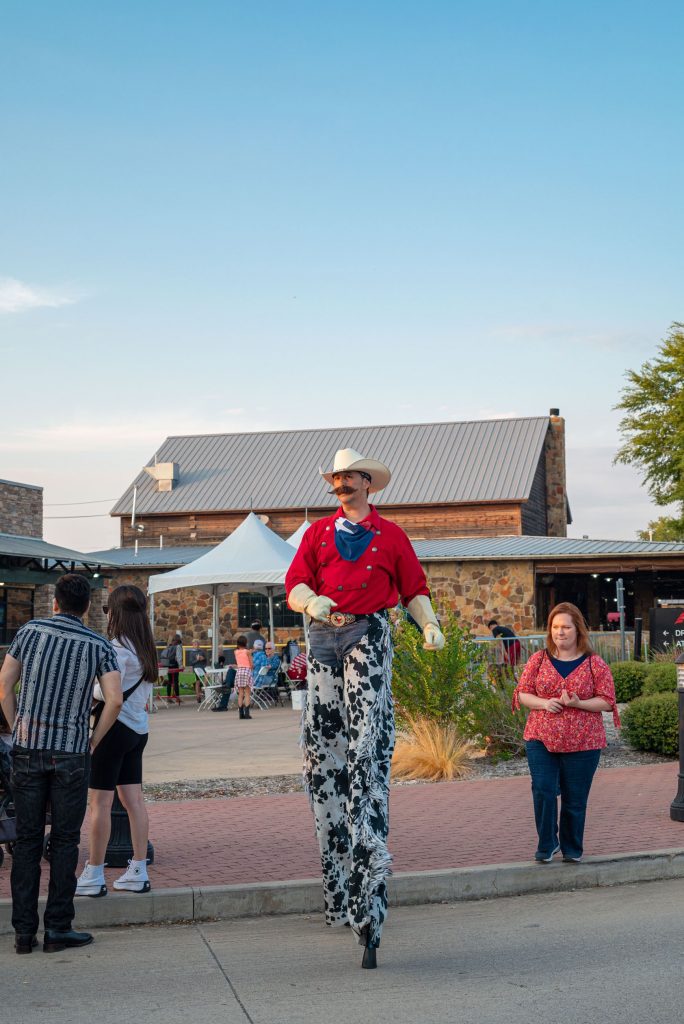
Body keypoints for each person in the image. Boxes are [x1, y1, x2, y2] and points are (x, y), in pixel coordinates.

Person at [286, 447, 445, 969]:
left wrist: (428, 623)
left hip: (367, 633)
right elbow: (294, 584)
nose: (339, 483)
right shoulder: (316, 534)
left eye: (348, 476)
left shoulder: (391, 536)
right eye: (334, 476)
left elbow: (414, 589)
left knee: (367, 745)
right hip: (322, 635)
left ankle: (368, 872)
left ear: (367, 483)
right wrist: (311, 601)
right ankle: (338, 887)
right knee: (324, 754)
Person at [0, 573, 122, 954]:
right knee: (66, 840)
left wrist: (17, 723)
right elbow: (114, 700)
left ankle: (23, 933)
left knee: (26, 841)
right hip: (71, 750)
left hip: (27, 747)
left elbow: (4, 684)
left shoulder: (30, 631)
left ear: (55, 601)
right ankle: (57, 928)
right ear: (87, 606)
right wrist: (93, 739)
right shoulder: (98, 644)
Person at [512, 602, 620, 864]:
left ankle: (572, 848)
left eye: (566, 627)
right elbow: (523, 693)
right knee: (543, 789)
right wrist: (545, 703)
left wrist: (578, 703)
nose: (560, 632)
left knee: (575, 797)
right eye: (555, 627)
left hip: (584, 741)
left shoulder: (595, 663)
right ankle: (547, 843)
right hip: (541, 737)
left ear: (578, 630)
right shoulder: (538, 660)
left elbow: (607, 701)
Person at [76, 585, 157, 898]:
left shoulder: (117, 649)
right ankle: (138, 869)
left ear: (115, 614)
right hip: (138, 730)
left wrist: (95, 735)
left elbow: (105, 695)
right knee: (133, 801)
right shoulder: (145, 647)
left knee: (100, 804)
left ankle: (94, 872)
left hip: (113, 730)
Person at [233, 635, 253, 719]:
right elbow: (251, 664)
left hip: (239, 671)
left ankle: (241, 713)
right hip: (246, 671)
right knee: (247, 693)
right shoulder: (247, 652)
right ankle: (247, 713)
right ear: (245, 643)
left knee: (240, 693)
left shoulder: (235, 652)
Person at [161, 635, 183, 705]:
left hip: (168, 664)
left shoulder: (169, 646)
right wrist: (181, 666)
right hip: (174, 665)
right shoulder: (178, 646)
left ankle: (168, 698)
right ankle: (177, 698)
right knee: (176, 681)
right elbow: (179, 657)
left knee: (170, 681)